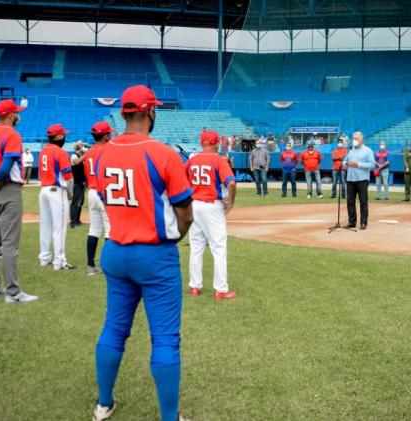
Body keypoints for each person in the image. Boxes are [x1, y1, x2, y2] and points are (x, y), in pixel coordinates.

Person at [91, 85, 193, 421]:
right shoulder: (163, 153)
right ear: (151, 112)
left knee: (114, 329)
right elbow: (185, 212)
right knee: (165, 339)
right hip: (154, 255)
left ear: (123, 113)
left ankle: (104, 403)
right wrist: (176, 237)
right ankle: (169, 417)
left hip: (116, 249)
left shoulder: (101, 153)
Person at [0, 99, 38, 304]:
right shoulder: (11, 134)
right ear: (11, 115)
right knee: (10, 244)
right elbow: (5, 167)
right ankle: (13, 293)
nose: (18, 116)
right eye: (16, 113)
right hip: (6, 189)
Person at [186, 130, 237, 300]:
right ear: (215, 143)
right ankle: (221, 290)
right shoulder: (217, 159)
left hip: (194, 205)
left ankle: (195, 287)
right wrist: (230, 202)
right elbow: (231, 182)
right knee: (219, 248)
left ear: (202, 143)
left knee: (196, 247)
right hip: (211, 205)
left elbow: (181, 181)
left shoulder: (192, 160)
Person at [38, 124, 75, 271]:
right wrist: (71, 192)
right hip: (56, 190)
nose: (64, 136)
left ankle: (44, 257)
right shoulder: (60, 152)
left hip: (44, 190)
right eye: (63, 134)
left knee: (45, 226)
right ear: (59, 136)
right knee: (59, 227)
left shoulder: (42, 151)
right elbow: (68, 176)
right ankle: (59, 261)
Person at [85, 121, 114, 276]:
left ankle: (90, 265)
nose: (111, 135)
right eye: (109, 133)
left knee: (94, 229)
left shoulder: (89, 151)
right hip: (103, 192)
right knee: (109, 231)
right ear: (105, 135)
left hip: (91, 191)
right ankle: (107, 266)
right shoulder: (107, 150)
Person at [343, 132, 375, 230]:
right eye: (353, 138)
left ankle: (363, 223)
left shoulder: (367, 151)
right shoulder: (350, 151)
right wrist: (346, 163)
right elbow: (344, 162)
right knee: (350, 202)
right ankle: (352, 222)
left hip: (362, 180)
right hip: (350, 179)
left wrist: (358, 164)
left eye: (356, 138)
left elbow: (372, 165)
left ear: (361, 139)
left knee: (363, 202)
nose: (354, 140)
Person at [70, 139, 87, 228]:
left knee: (81, 202)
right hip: (76, 182)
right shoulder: (74, 155)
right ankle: (73, 221)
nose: (83, 146)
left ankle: (77, 220)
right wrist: (84, 154)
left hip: (81, 182)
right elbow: (75, 162)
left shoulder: (81, 156)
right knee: (75, 202)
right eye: (81, 145)